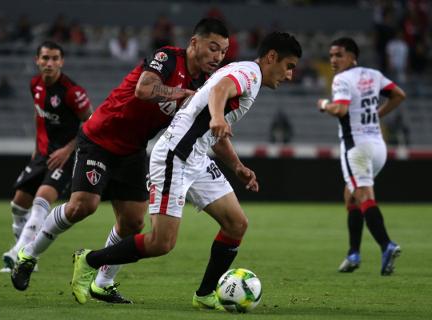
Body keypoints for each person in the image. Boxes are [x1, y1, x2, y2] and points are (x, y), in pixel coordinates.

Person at [70, 31, 301, 308]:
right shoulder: (249, 73)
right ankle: (88, 260)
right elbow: (219, 91)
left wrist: (238, 166)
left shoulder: (246, 75)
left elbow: (213, 132)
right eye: (289, 66)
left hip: (197, 157)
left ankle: (204, 295)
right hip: (175, 156)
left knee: (236, 224)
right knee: (161, 243)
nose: (289, 75)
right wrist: (217, 116)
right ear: (272, 57)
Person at [10, 18, 230, 304]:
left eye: (223, 52)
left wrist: (235, 163)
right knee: (82, 206)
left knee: (133, 222)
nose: (217, 56)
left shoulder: (204, 85)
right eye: (213, 48)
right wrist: (181, 94)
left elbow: (210, 125)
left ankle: (103, 282)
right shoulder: (167, 58)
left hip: (133, 150)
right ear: (194, 43)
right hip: (100, 138)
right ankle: (29, 254)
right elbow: (143, 89)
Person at [316, 37, 406, 276]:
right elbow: (398, 95)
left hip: (356, 148)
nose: (334, 60)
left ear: (352, 56)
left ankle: (387, 244)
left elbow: (341, 109)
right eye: (331, 56)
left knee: (364, 196)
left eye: (339, 55)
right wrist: (378, 114)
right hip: (378, 147)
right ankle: (353, 254)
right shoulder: (373, 74)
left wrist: (325, 104)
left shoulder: (342, 79)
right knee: (351, 197)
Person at [1, 41, 92, 272]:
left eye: (54, 58)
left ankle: (18, 254)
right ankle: (27, 253)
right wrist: (36, 147)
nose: (49, 63)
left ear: (61, 62)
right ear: (37, 60)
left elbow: (90, 123)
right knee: (18, 205)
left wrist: (68, 149)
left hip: (66, 155)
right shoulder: (35, 85)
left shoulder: (73, 92)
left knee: (42, 199)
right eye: (45, 58)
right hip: (43, 153)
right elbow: (38, 115)